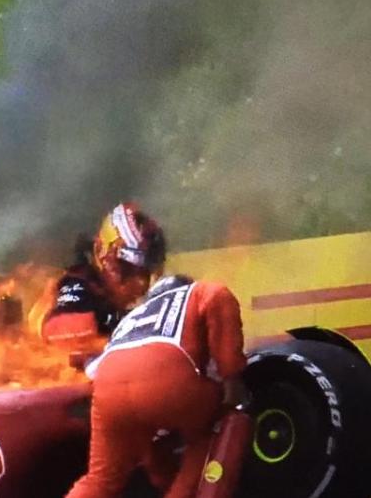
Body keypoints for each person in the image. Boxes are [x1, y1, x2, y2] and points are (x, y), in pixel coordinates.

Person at [63, 206, 248, 498]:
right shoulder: (194, 292)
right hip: (166, 384)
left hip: (109, 390)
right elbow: (218, 296)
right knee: (213, 431)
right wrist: (232, 377)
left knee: (101, 479)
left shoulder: (133, 314)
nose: (137, 281)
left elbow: (93, 369)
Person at [39, 202, 160, 347]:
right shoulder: (78, 281)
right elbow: (55, 328)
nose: (140, 282)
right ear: (100, 252)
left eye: (144, 272)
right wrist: (119, 323)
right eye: (126, 269)